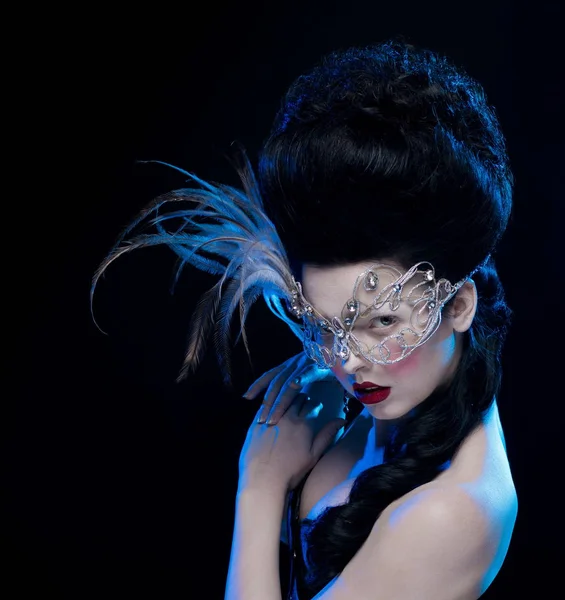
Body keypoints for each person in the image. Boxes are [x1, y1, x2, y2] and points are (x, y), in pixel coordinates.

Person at [94, 39, 517, 599]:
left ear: (458, 305)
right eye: (319, 324)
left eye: (383, 323)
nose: (345, 359)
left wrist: (261, 490)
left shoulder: (450, 513)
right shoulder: (394, 390)